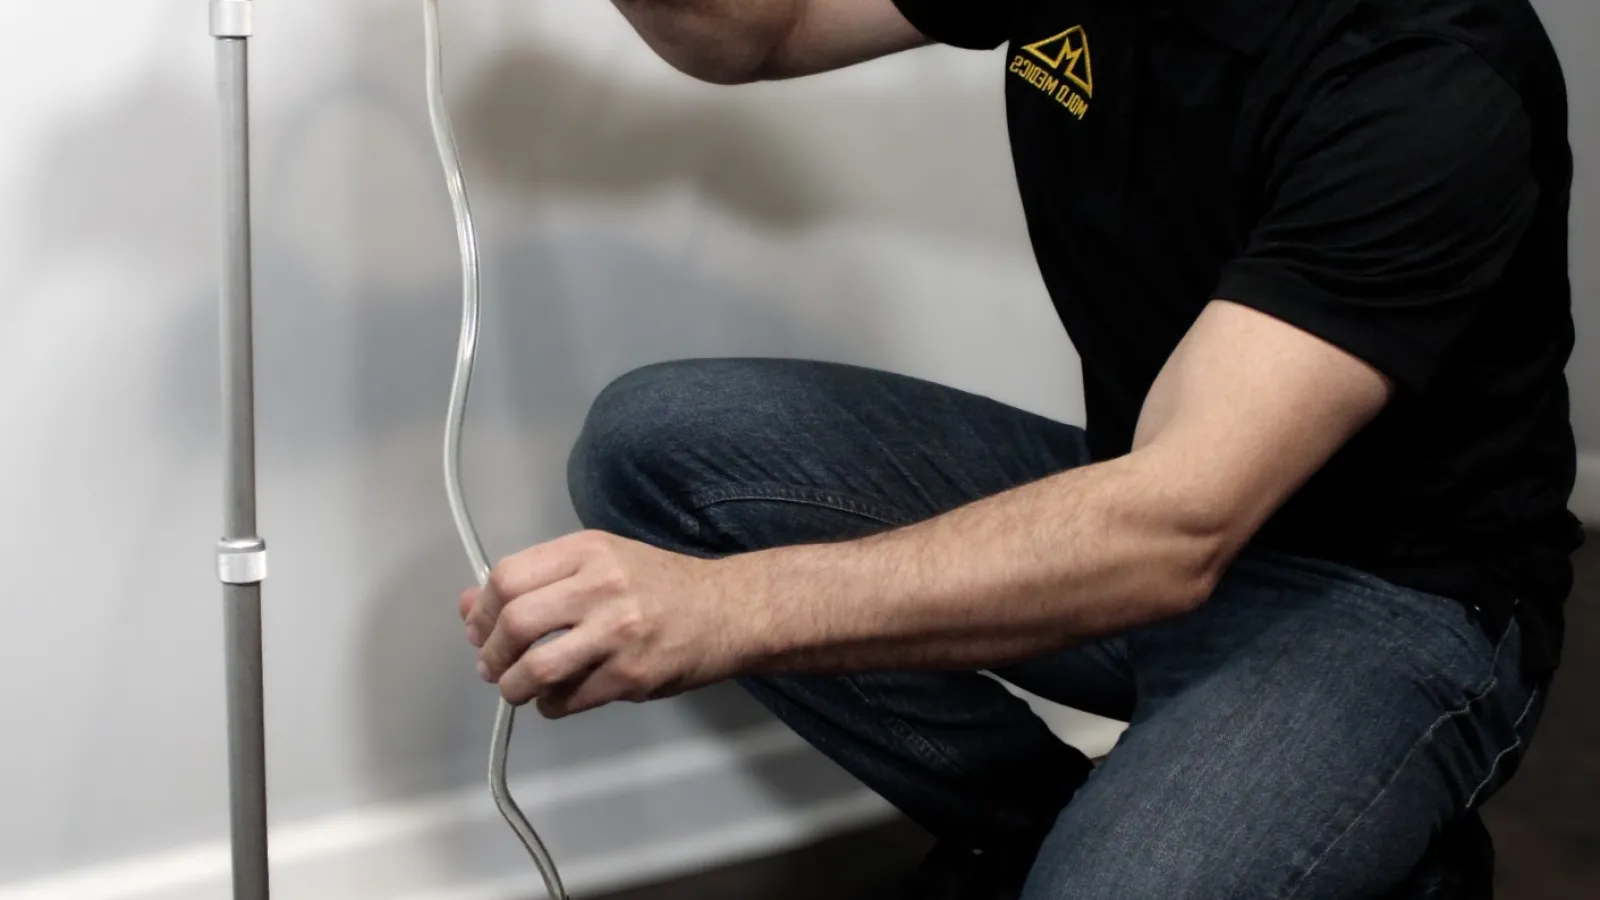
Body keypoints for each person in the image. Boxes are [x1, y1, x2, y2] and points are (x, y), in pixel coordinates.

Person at [457, 1, 1585, 896]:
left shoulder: (1427, 72)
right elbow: (758, 29)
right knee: (658, 447)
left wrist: (721, 610)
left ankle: (1391, 862)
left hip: (1386, 594)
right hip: (1155, 496)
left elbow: (1168, 532)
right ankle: (1042, 830)